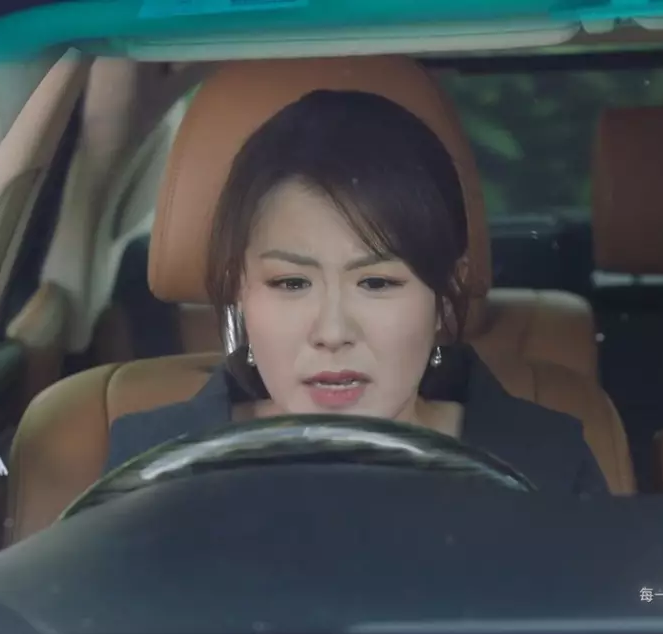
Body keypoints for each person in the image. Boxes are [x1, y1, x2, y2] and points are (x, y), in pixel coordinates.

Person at [104, 89, 608, 495]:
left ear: (445, 293)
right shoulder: (146, 469)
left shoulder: (546, 467)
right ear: (239, 289)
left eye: (377, 283)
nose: (332, 332)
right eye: (291, 283)